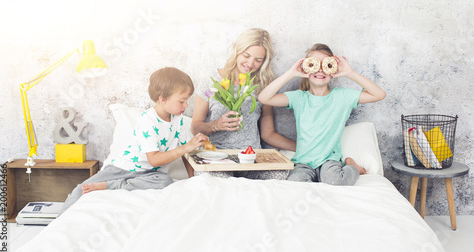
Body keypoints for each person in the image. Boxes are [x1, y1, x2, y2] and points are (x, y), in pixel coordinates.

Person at [59, 67, 208, 214]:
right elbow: (154, 160)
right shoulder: (148, 120)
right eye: (182, 101)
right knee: (81, 189)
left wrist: (191, 179)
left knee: (165, 182)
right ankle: (103, 189)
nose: (186, 105)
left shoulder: (178, 120)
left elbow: (184, 154)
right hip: (123, 169)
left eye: (187, 100)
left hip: (150, 174)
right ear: (163, 99)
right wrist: (187, 147)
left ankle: (114, 185)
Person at [258, 43, 386, 185]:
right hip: (303, 161)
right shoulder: (299, 98)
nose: (320, 70)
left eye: (326, 65)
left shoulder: (342, 97)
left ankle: (353, 167)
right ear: (306, 68)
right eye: (314, 65)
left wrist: (350, 73)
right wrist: (291, 73)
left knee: (337, 181)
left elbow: (379, 94)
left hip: (329, 159)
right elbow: (264, 98)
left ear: (333, 71)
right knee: (295, 184)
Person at [190, 28, 296, 179]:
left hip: (251, 157)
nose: (250, 64)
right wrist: (215, 125)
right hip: (217, 156)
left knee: (280, 176)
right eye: (246, 56)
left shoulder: (263, 86)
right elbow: (195, 127)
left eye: (258, 60)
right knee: (214, 183)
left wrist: (302, 148)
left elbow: (268, 134)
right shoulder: (212, 80)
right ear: (236, 51)